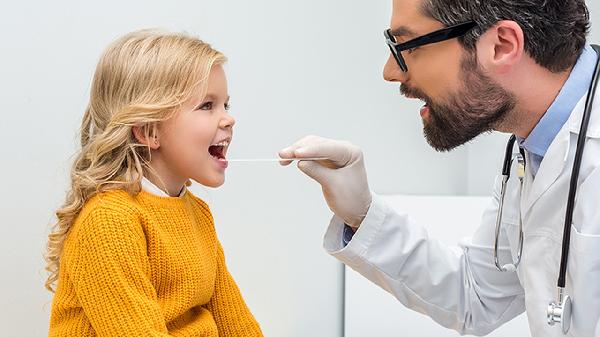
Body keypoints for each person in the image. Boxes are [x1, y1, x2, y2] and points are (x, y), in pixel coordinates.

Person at [279, 0, 600, 335]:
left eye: (406, 46)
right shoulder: (533, 150)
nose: (390, 71)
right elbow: (477, 295)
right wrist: (362, 213)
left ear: (502, 45)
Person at [45, 29, 263, 336]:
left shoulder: (197, 213)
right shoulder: (108, 222)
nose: (228, 118)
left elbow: (236, 325)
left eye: (225, 104)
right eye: (207, 105)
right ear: (149, 131)